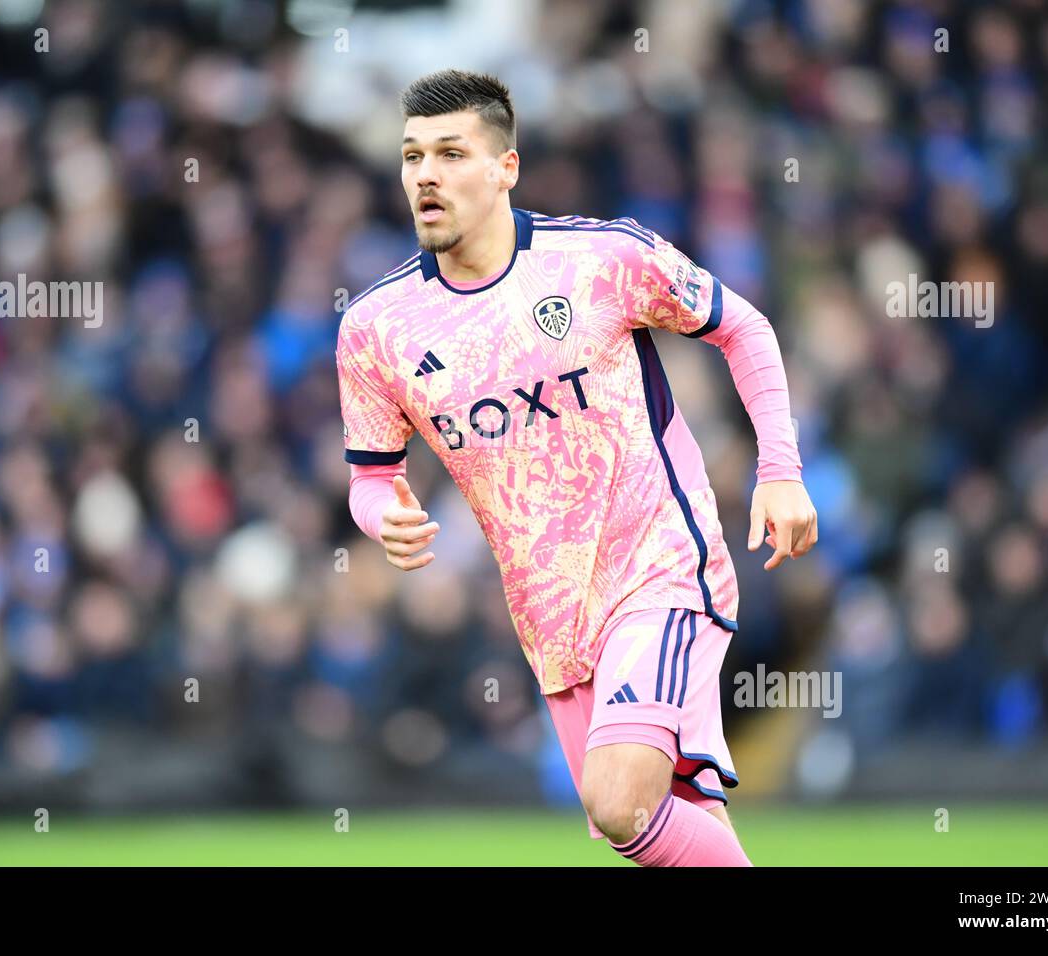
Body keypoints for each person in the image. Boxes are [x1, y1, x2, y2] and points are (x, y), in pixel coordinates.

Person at [335, 69, 817, 866]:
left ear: (506, 167)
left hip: (658, 567)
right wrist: (378, 512)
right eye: (413, 155)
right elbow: (371, 474)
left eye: (452, 153)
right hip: (552, 618)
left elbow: (745, 327)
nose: (426, 174)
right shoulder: (374, 329)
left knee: (618, 801)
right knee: (665, 821)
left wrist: (780, 470)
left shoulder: (599, 258)